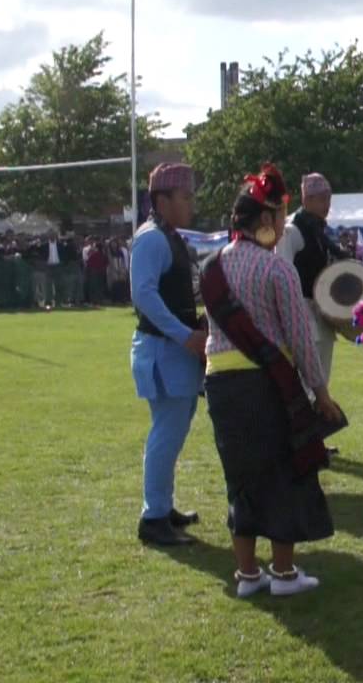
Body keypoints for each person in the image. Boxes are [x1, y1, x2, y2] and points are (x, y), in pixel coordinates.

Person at [200, 164, 342, 598]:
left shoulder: (211, 268)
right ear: (265, 221)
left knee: (240, 477)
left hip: (221, 385)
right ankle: (282, 574)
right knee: (285, 473)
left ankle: (246, 575)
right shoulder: (277, 270)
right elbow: (300, 338)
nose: (283, 226)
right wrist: (320, 392)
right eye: (280, 217)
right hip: (266, 384)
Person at [130, 163, 207, 546]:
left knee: (172, 432)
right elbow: (143, 295)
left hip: (172, 349)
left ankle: (161, 506)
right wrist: (184, 336)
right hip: (164, 350)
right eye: (185, 197)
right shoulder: (152, 239)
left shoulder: (167, 236)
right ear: (162, 200)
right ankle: (154, 517)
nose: (191, 204)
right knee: (167, 432)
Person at [277, 173, 344, 386]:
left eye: (329, 198)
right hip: (301, 317)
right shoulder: (291, 230)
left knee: (321, 385)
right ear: (307, 200)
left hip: (321, 315)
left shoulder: (318, 231)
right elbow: (282, 275)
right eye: (322, 198)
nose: (327, 204)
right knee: (305, 388)